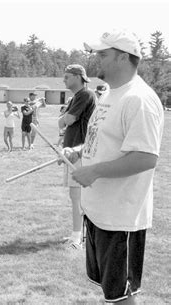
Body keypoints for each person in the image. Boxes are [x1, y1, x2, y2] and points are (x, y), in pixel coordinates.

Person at [63, 30, 164, 304]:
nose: (97, 59)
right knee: (111, 293)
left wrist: (93, 171)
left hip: (121, 218)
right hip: (98, 212)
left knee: (122, 296)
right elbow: (102, 139)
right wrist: (79, 150)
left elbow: (145, 158)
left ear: (122, 57)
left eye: (103, 54)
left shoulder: (139, 99)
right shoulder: (110, 94)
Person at [58, 64, 96, 249]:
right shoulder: (75, 98)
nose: (64, 80)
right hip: (70, 151)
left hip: (80, 151)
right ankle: (76, 234)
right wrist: (66, 117)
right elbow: (60, 123)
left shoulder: (86, 95)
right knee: (75, 196)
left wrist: (66, 117)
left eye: (67, 76)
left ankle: (79, 238)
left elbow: (69, 120)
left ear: (78, 76)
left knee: (79, 196)